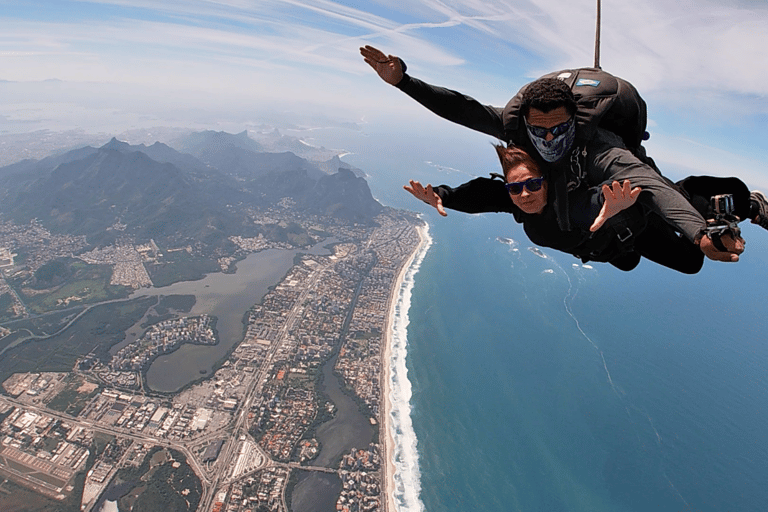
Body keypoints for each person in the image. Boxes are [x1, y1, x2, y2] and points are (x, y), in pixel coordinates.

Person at [360, 45, 768, 265]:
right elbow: (463, 111)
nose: (551, 137)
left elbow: (647, 184)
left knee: (686, 250)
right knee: (677, 260)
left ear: (575, 122)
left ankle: (743, 202)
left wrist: (698, 233)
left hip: (629, 209)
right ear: (527, 126)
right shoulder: (516, 148)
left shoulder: (597, 147)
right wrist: (404, 82)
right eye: (541, 130)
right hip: (608, 237)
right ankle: (702, 214)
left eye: (560, 128)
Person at [406, 144, 761, 273]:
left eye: (532, 184)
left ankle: (737, 201)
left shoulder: (574, 201)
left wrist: (622, 205)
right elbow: (481, 194)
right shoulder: (514, 200)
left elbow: (627, 191)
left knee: (690, 257)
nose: (525, 194)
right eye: (516, 188)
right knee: (689, 264)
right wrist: (443, 195)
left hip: (633, 220)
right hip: (620, 247)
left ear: (546, 180)